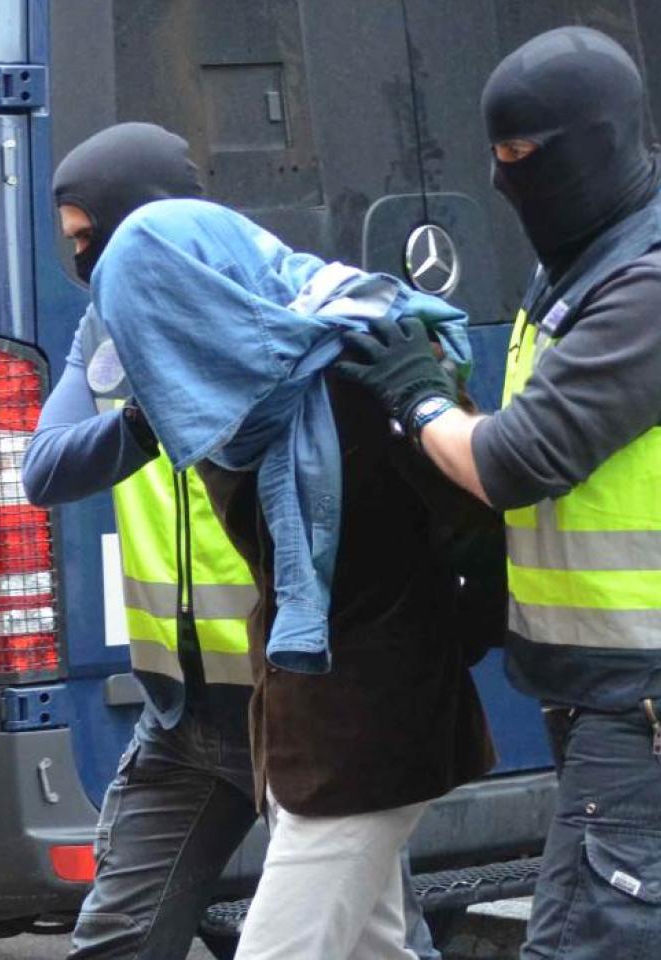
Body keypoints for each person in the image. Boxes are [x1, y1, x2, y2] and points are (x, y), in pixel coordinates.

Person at [332, 27, 661, 960]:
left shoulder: (660, 285)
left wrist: (418, 397)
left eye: (521, 158)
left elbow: (518, 459)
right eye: (495, 157)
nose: (505, 183)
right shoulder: (602, 240)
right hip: (643, 680)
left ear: (596, 144)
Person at [25, 124, 467, 960]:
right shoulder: (115, 333)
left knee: (357, 939)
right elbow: (45, 467)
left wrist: (206, 389)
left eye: (92, 241)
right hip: (187, 707)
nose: (84, 267)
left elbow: (438, 515)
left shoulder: (294, 339)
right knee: (125, 941)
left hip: (314, 705)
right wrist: (159, 411)